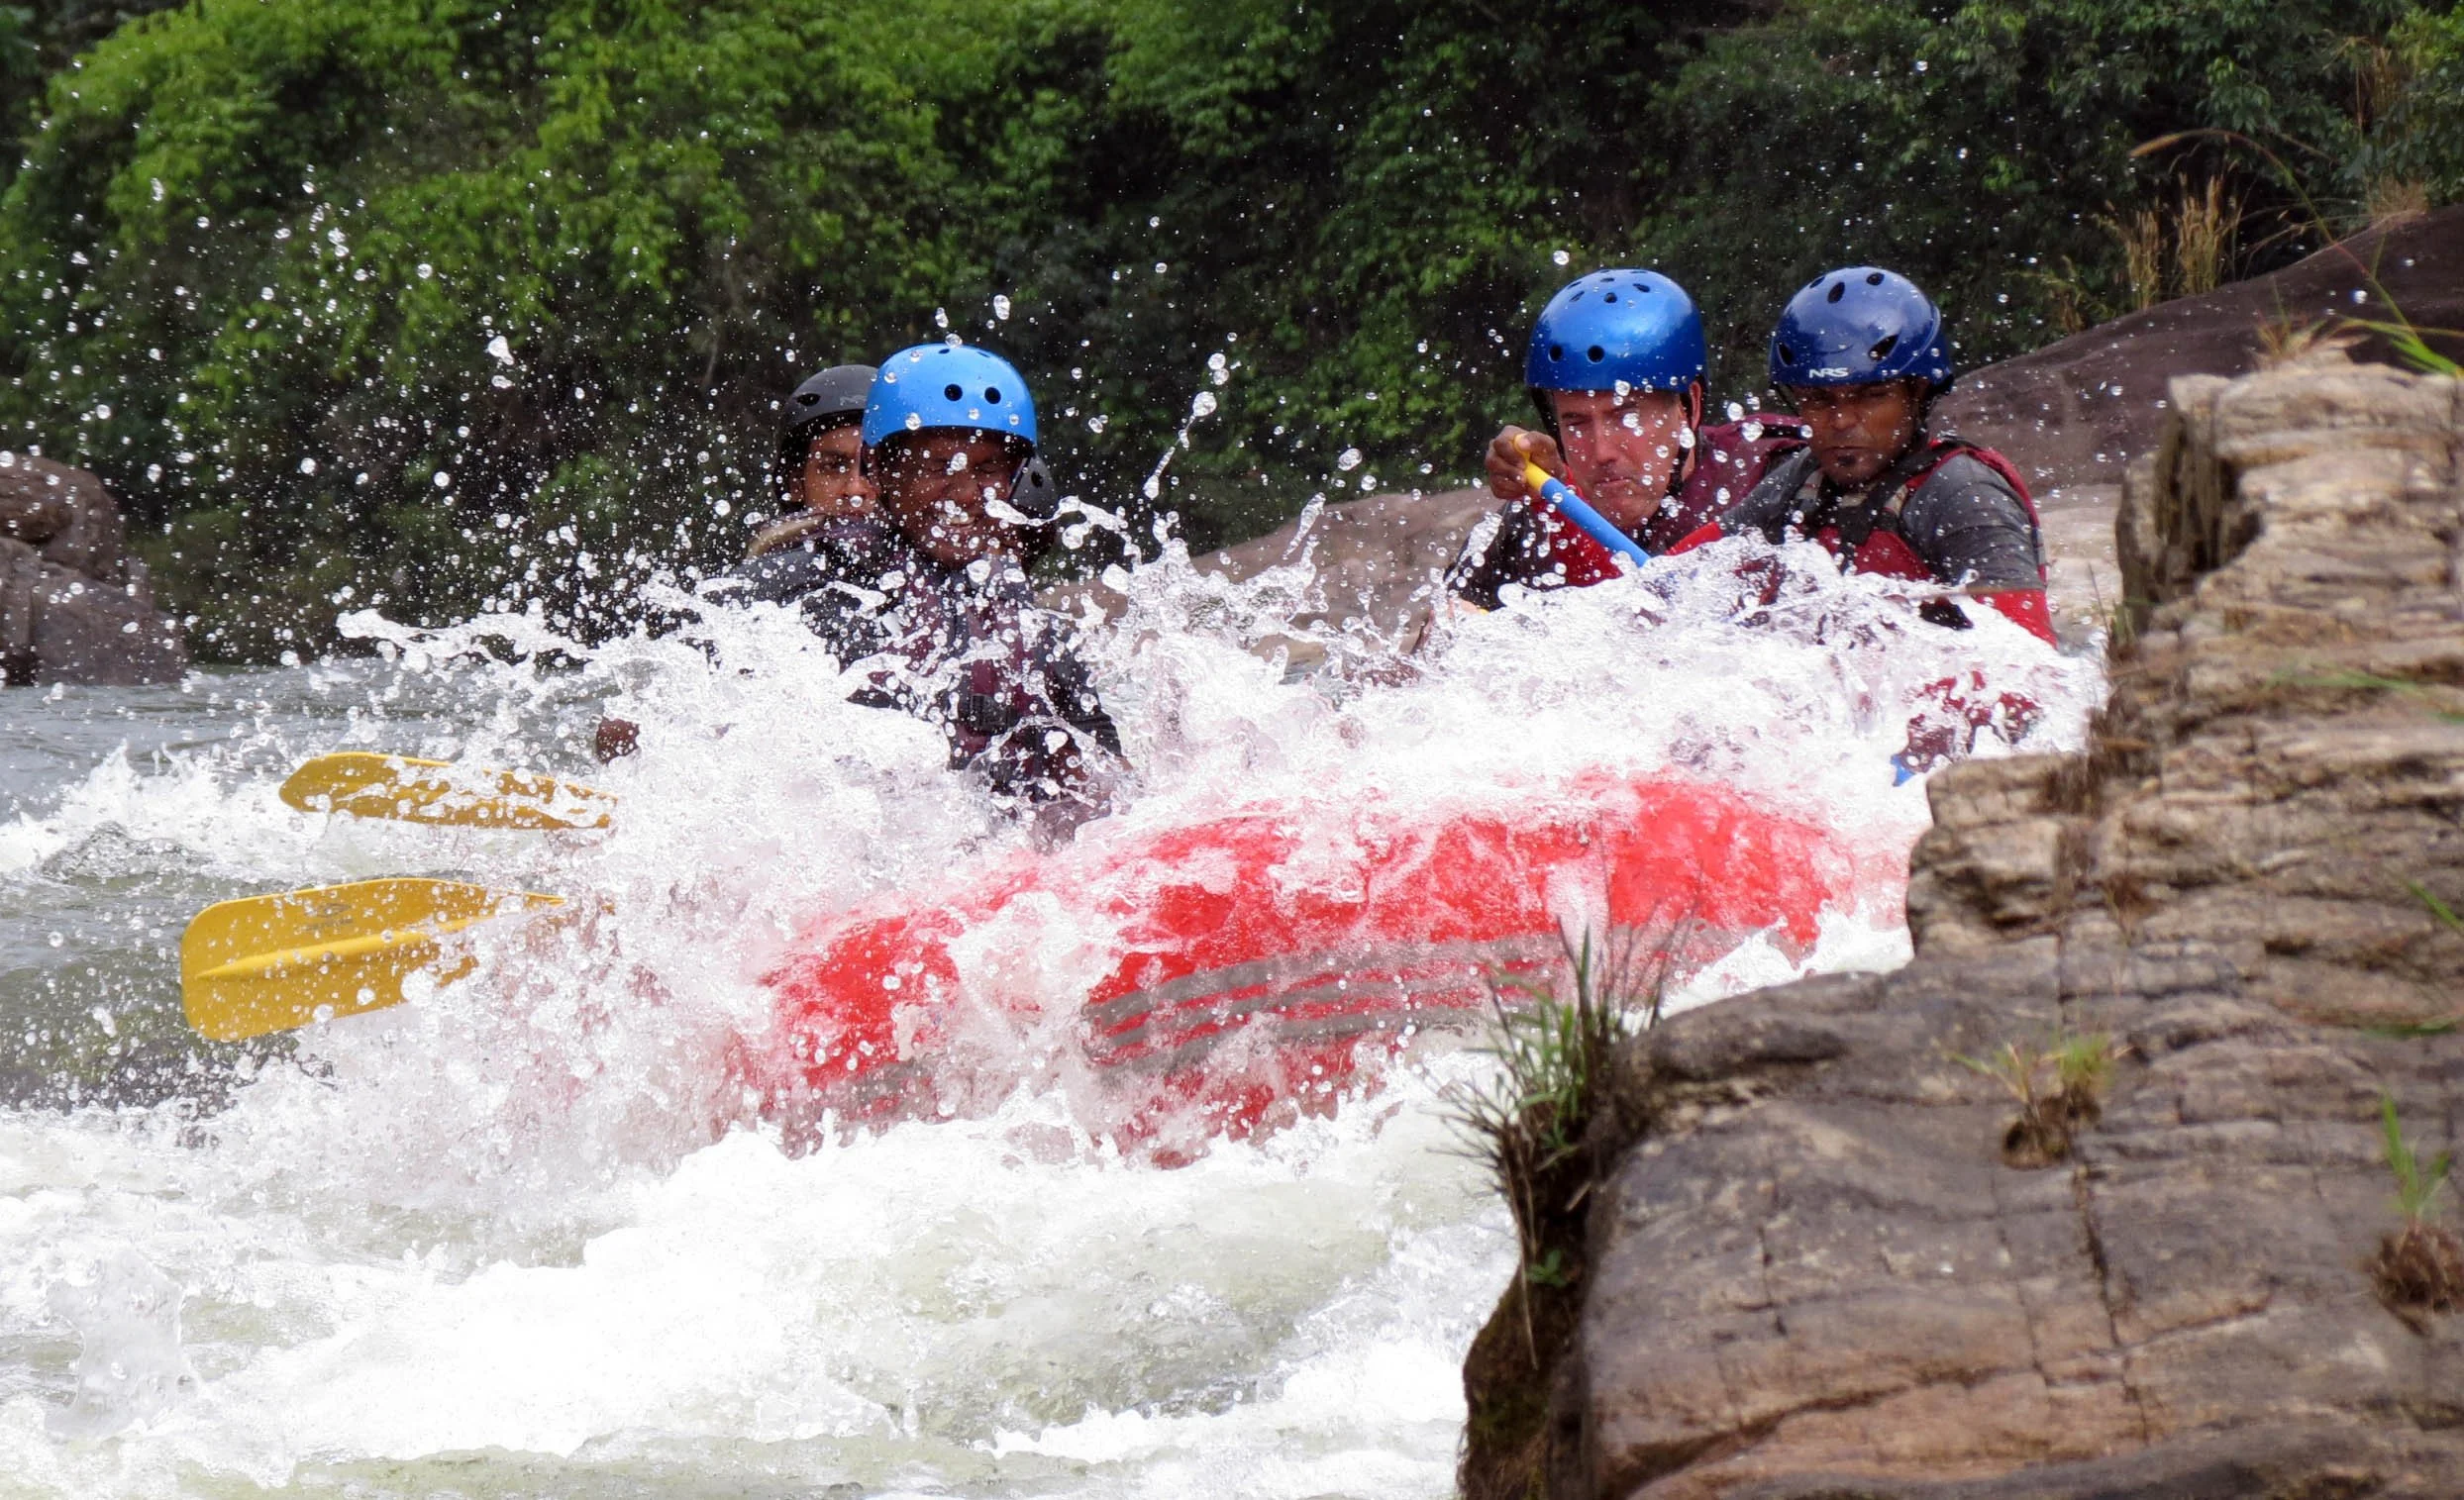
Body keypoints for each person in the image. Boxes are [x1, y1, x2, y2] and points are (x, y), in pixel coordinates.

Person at [717, 343, 1121, 827]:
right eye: (935, 467)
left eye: (988, 468)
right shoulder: (798, 581)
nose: (966, 494)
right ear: (882, 471)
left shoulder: (1035, 633)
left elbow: (1106, 789)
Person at [1681, 266, 2053, 646]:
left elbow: (2030, 664)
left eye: (1872, 395)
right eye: (1819, 399)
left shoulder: (1964, 495)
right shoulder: (1803, 479)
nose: (1841, 420)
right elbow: (1680, 570)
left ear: (1919, 393)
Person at [1445, 268, 1804, 610]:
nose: (1601, 452)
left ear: (1689, 407)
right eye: (1576, 423)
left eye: (1625, 417)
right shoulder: (1538, 517)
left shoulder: (1779, 481)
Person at [745, 362, 877, 557]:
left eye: (872, 468)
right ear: (795, 483)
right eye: (833, 466)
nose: (855, 490)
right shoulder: (764, 579)